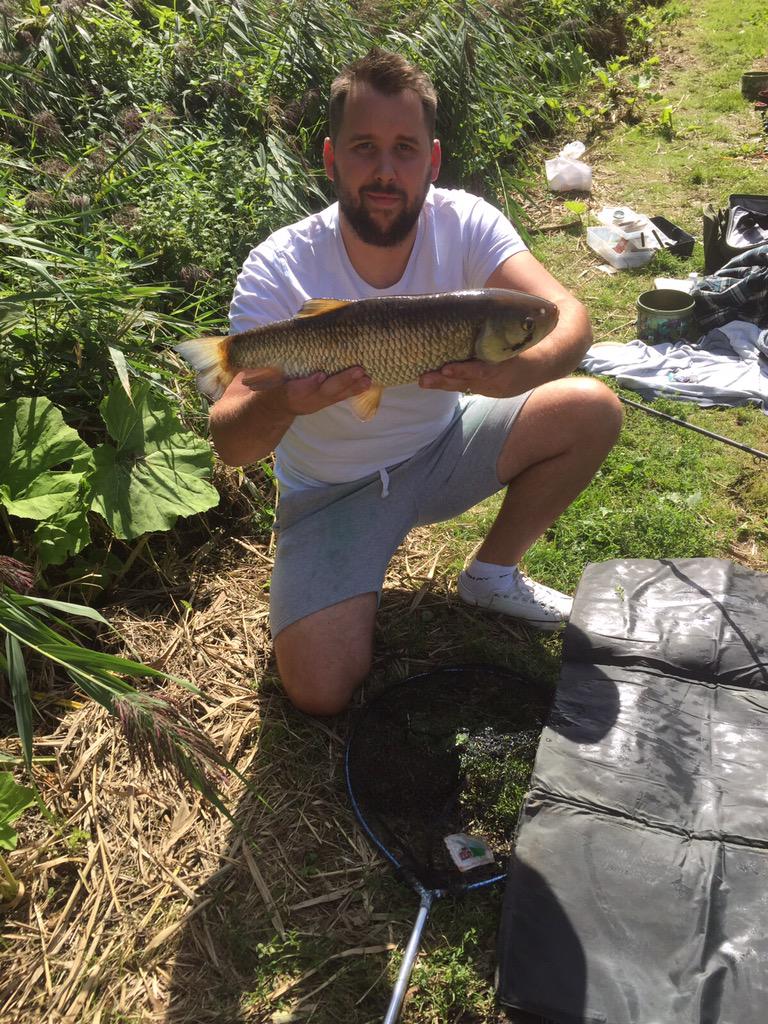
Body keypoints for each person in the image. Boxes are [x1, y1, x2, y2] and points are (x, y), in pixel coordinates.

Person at [209, 48, 623, 716]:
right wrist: (288, 400)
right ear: (331, 158)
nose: (384, 169)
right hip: (333, 491)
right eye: (363, 146)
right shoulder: (278, 268)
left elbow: (568, 315)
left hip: (446, 446)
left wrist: (518, 373)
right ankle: (339, 581)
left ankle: (491, 573)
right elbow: (230, 442)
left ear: (431, 160)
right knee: (319, 689)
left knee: (591, 408)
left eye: (405, 149)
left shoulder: (466, 221)